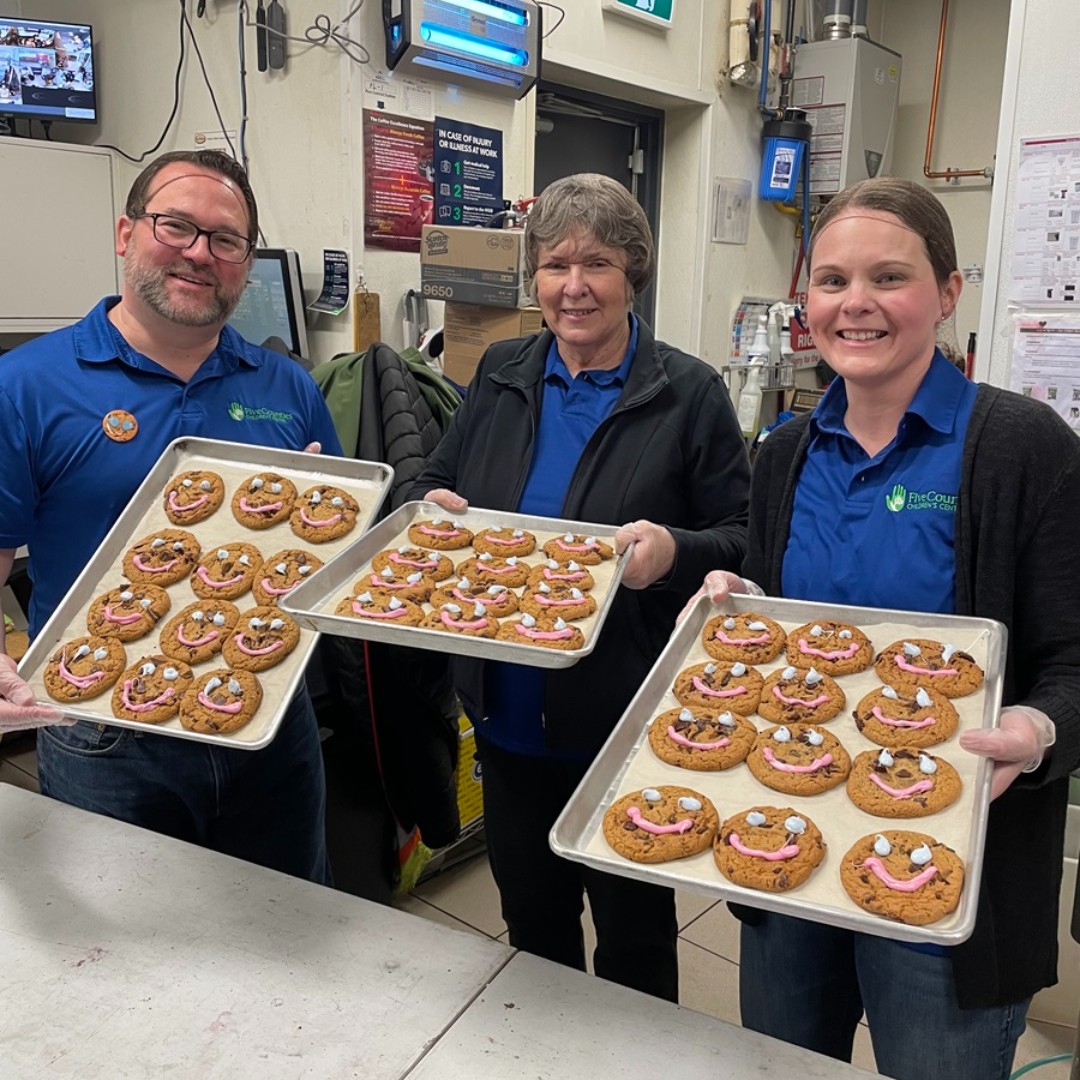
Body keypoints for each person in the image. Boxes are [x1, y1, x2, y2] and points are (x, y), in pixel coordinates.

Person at [697, 177, 1080, 1080]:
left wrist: (1038, 729)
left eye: (889, 277)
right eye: (832, 281)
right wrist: (740, 598)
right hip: (792, 839)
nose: (855, 303)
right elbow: (792, 624)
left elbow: (1073, 656)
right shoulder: (785, 452)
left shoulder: (1024, 448)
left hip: (951, 866)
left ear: (947, 293)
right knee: (786, 1065)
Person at [408, 172, 750, 1002]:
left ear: (633, 274)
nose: (573, 286)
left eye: (596, 264)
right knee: (534, 926)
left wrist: (672, 552)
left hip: (624, 724)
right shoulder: (502, 371)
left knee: (635, 939)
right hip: (506, 716)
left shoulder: (687, 392)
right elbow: (435, 480)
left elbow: (744, 538)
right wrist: (429, 506)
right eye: (555, 265)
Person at [0, 149, 344, 884]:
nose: (199, 253)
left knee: (290, 929)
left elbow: (336, 543)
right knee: (124, 939)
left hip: (272, 721)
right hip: (104, 730)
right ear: (126, 232)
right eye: (176, 226)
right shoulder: (24, 387)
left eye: (226, 240)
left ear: (246, 263)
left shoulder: (288, 386)